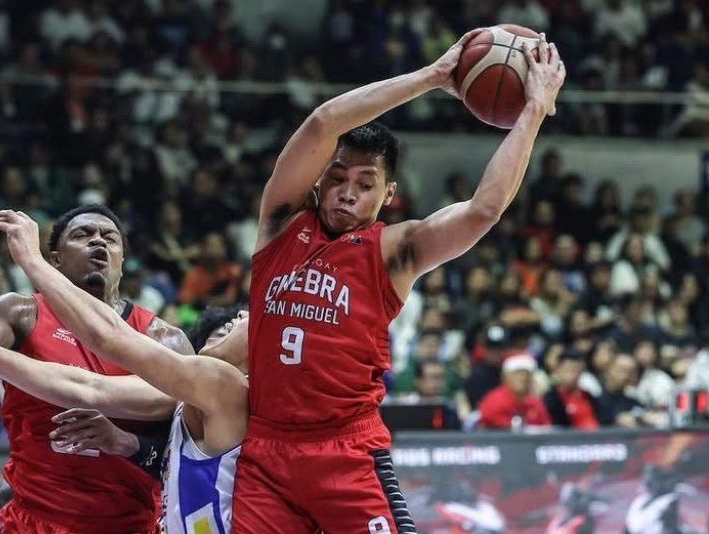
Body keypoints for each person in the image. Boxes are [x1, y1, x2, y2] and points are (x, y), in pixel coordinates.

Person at [233, 30, 565, 532]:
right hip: (265, 450)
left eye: (364, 185)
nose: (346, 193)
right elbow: (323, 121)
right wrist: (433, 76)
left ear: (388, 195)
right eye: (337, 178)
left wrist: (532, 111)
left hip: (346, 449)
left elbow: (483, 210)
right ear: (319, 179)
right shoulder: (281, 223)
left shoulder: (395, 250)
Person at [0, 178, 194, 534]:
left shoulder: (164, 340)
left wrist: (126, 443)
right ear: (55, 261)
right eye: (83, 235)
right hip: (34, 522)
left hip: (129, 525)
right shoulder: (20, 313)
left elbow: (187, 457)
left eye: (110, 238)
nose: (98, 241)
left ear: (123, 261)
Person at [0, 209, 249, 532]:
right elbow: (93, 383)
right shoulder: (210, 384)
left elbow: (92, 386)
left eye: (242, 322)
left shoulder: (218, 387)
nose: (239, 322)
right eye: (231, 323)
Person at [477, 353, 551, 429]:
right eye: (517, 373)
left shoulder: (535, 404)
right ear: (505, 376)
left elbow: (546, 429)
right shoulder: (493, 401)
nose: (522, 378)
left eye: (526, 374)